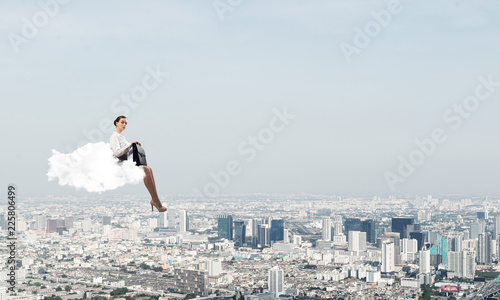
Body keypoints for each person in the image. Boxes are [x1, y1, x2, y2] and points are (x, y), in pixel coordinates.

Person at [110, 115, 167, 212]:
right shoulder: (114, 137)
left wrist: (134, 148)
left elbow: (126, 152)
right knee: (145, 170)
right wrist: (130, 145)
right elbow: (117, 153)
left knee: (148, 169)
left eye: (126, 123)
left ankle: (155, 199)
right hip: (119, 166)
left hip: (124, 163)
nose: (124, 125)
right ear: (116, 123)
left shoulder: (122, 137)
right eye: (122, 122)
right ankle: (155, 201)